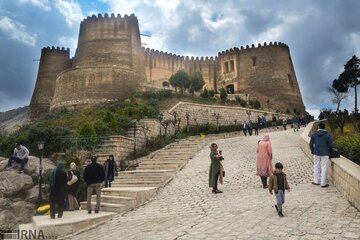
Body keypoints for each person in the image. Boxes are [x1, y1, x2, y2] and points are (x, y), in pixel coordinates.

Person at [309, 122, 334, 188]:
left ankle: (316, 181)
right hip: (325, 153)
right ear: (324, 127)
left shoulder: (314, 134)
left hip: (316, 153)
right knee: (324, 167)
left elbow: (310, 144)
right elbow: (331, 145)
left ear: (319, 127)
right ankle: (323, 183)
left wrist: (312, 151)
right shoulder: (327, 135)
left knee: (316, 166)